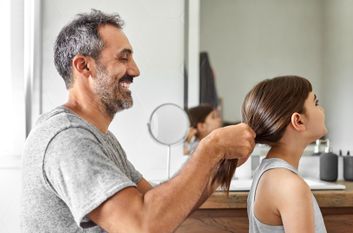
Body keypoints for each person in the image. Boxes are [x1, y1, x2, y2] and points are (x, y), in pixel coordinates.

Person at [20, 10, 255, 233]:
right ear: (84, 66)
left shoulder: (100, 137)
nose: (135, 70)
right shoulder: (68, 138)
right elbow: (143, 225)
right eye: (123, 58)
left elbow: (165, 211)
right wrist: (210, 147)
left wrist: (221, 163)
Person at [241, 76, 328, 233]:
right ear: (298, 121)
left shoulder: (270, 173)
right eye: (315, 103)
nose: (322, 110)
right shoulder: (290, 186)